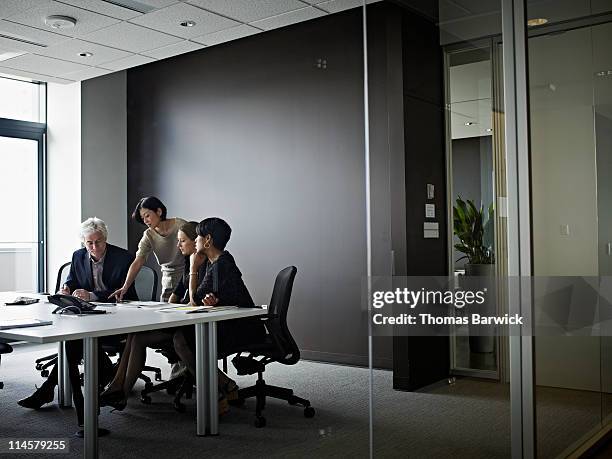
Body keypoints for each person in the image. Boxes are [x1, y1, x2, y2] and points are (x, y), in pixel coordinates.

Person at [18, 218, 137, 426]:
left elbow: (123, 293)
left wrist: (91, 295)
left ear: (105, 239)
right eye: (89, 243)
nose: (93, 247)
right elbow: (72, 280)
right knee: (74, 342)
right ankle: (81, 408)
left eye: (98, 242)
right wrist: (66, 288)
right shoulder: (78, 255)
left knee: (73, 344)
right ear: (83, 242)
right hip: (87, 316)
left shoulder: (123, 257)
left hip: (118, 317)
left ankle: (52, 392)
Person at [99, 221, 205, 411]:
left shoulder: (199, 265)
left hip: (190, 326)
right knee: (135, 334)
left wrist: (194, 269)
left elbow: (193, 300)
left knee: (138, 336)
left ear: (195, 241)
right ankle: (119, 388)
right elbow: (177, 293)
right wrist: (166, 308)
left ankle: (120, 390)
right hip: (179, 320)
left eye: (182, 241)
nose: (179, 245)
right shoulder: (188, 262)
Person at [172, 218, 266, 405]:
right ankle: (222, 386)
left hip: (243, 328)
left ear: (207, 240)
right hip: (232, 323)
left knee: (182, 339)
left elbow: (195, 300)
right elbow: (207, 298)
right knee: (182, 337)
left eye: (198, 236)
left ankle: (217, 390)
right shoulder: (216, 263)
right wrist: (214, 301)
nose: (196, 240)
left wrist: (193, 268)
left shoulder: (221, 263)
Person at [111, 197, 187, 302]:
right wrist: (125, 287)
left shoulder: (181, 226)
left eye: (147, 215)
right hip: (168, 281)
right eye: (143, 218)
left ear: (159, 211)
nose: (145, 221)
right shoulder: (148, 235)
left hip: (186, 277)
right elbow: (138, 261)